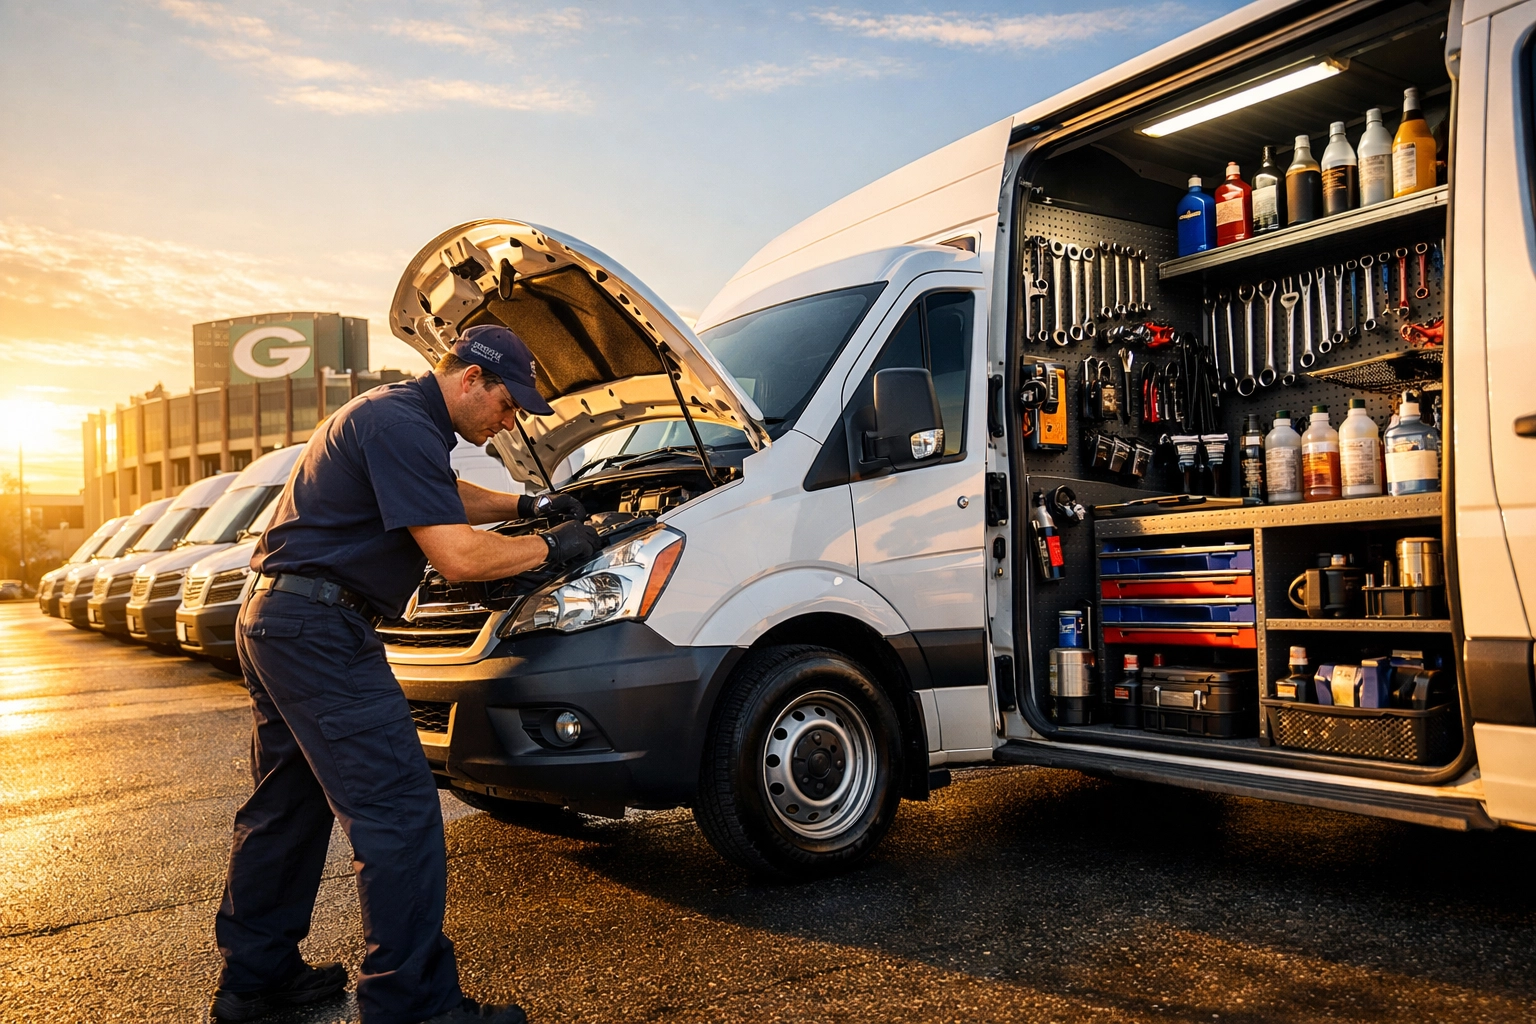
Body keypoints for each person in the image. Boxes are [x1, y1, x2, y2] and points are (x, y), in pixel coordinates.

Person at [209, 324, 600, 1024]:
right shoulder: (400, 421)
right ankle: (411, 1005)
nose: (511, 422)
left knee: (286, 808)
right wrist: (553, 544)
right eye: (510, 405)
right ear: (472, 379)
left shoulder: (392, 415)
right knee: (399, 814)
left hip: (279, 619)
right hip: (320, 632)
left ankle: (256, 982)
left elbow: (438, 493)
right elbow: (459, 558)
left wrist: (524, 506)